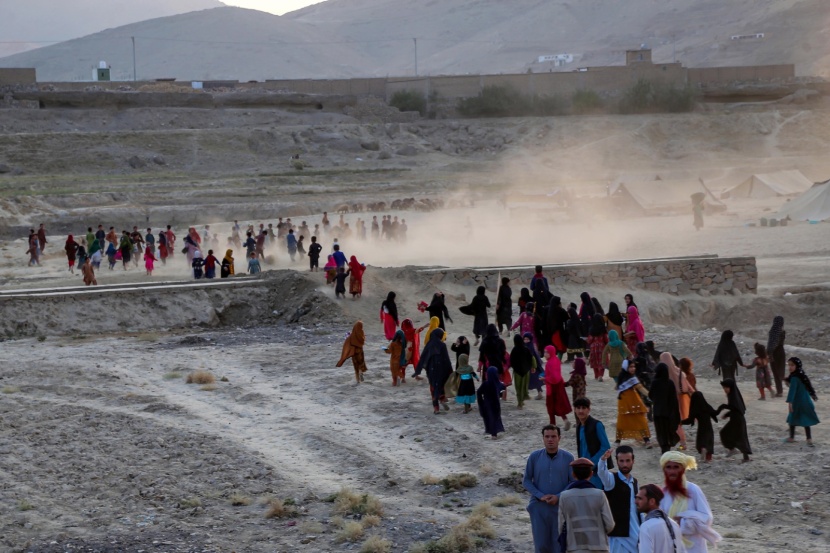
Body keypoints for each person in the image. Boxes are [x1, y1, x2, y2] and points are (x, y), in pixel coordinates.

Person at [524, 425, 575, 553]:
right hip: (539, 507)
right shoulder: (534, 457)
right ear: (543, 438)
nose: (550, 439)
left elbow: (573, 482)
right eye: (547, 436)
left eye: (553, 436)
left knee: (559, 545)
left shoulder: (568, 458)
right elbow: (526, 480)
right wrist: (540, 495)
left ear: (559, 438)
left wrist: (558, 496)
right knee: (541, 545)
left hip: (560, 508)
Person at [659, 451, 720, 553]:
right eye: (668, 467)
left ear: (682, 470)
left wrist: (683, 521)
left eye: (676, 467)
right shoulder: (663, 493)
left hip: (694, 547)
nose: (672, 471)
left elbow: (707, 518)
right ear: (664, 470)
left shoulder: (693, 489)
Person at [558, 457, 615, 553]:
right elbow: (609, 524)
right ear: (591, 474)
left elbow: (560, 526)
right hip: (599, 547)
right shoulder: (600, 494)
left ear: (573, 474)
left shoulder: (564, 496)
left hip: (574, 547)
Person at [598, 446, 641, 553]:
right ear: (617, 461)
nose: (625, 464)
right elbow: (602, 473)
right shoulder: (611, 480)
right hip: (617, 535)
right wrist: (603, 460)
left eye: (627, 461)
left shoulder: (635, 482)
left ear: (633, 461)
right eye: (621, 461)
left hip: (634, 532)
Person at [573, 397, 611, 489]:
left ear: (588, 409)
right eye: (578, 408)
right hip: (584, 471)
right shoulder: (579, 427)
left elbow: (605, 447)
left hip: (596, 471)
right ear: (575, 410)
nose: (581, 411)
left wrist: (591, 463)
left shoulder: (597, 425)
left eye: (583, 408)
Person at [635, 484, 686, 553]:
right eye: (636, 498)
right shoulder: (674, 525)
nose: (636, 502)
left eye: (640, 498)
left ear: (652, 501)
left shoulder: (647, 527)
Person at [415, 327, 453, 414]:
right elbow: (446, 359)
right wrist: (450, 370)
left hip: (431, 370)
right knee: (441, 384)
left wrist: (419, 369)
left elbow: (423, 358)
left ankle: (436, 408)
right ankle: (442, 399)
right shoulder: (442, 345)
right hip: (441, 369)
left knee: (433, 386)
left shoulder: (428, 345)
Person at [615, 362, 652, 449]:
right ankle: (618, 440)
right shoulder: (622, 377)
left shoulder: (632, 378)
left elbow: (641, 389)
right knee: (622, 422)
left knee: (641, 421)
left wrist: (651, 395)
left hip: (634, 403)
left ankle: (647, 440)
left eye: (634, 366)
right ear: (625, 368)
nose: (633, 368)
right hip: (624, 403)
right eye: (630, 367)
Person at [785, 356, 819, 445]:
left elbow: (792, 391)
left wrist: (790, 402)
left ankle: (791, 437)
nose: (790, 367)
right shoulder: (801, 375)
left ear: (797, 366)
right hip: (806, 401)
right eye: (789, 365)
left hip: (797, 402)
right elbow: (808, 386)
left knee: (792, 419)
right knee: (806, 420)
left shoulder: (794, 378)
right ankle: (809, 439)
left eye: (792, 365)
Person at [662, 352, 693, 450]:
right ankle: (682, 443)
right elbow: (688, 387)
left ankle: (678, 443)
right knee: (678, 423)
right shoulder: (679, 372)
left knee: (672, 423)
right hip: (681, 399)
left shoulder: (663, 373)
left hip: (670, 401)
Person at [648, 364, 680, 453]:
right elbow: (674, 399)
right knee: (668, 430)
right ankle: (667, 447)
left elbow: (650, 396)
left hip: (658, 412)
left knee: (660, 431)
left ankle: (663, 447)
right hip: (668, 413)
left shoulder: (655, 382)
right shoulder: (670, 383)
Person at [681, 392, 718, 462]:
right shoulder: (707, 406)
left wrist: (681, 422)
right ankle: (708, 458)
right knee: (709, 442)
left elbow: (689, 420)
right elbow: (715, 413)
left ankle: (703, 448)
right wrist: (722, 407)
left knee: (701, 441)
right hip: (709, 428)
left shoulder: (695, 409)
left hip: (701, 428)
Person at [545, 346, 573, 430]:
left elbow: (553, 377)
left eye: (547, 352)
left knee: (550, 405)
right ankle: (565, 420)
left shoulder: (549, 363)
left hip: (552, 386)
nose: (545, 354)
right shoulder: (556, 360)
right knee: (559, 404)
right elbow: (557, 374)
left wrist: (545, 378)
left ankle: (552, 424)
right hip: (559, 384)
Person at [478, 366, 505, 439]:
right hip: (496, 404)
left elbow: (479, 392)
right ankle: (494, 434)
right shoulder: (498, 383)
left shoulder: (485, 384)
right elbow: (503, 390)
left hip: (487, 404)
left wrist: (481, 401)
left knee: (489, 418)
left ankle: (491, 432)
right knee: (495, 418)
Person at [511, 334, 533, 409]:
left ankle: (519, 403)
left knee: (518, 387)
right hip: (526, 371)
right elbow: (530, 359)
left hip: (517, 372)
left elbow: (512, 361)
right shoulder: (526, 349)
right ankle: (523, 399)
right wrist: (531, 367)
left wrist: (514, 367)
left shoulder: (514, 350)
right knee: (524, 386)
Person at [766, 316, 786, 397]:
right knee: (781, 371)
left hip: (774, 353)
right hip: (781, 352)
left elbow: (772, 344)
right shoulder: (782, 331)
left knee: (776, 372)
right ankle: (786, 387)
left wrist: (768, 353)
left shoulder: (773, 331)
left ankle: (779, 391)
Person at [587, 314, 609, 381]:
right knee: (602, 362)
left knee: (594, 362)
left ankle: (596, 375)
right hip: (602, 347)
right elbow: (606, 339)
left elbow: (589, 340)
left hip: (593, 347)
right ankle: (600, 375)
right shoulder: (603, 329)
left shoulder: (591, 329)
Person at [525, 331, 546, 400]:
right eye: (524, 339)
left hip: (534, 368)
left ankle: (539, 394)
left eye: (527, 339)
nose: (526, 341)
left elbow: (536, 358)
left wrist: (536, 366)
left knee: (537, 381)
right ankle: (526, 394)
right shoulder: (524, 347)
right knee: (526, 381)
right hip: (527, 367)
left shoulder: (532, 347)